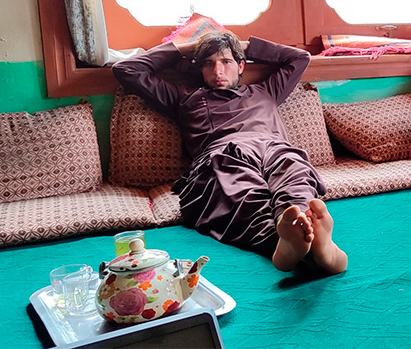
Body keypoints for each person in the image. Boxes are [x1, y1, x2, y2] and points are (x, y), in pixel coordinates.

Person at [113, 31, 348, 273]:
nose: (218, 71)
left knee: (293, 169)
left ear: (241, 66)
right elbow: (126, 69)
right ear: (199, 68)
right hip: (224, 154)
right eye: (208, 63)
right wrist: (187, 48)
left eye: (226, 61)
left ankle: (299, 224)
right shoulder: (184, 98)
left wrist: (243, 46)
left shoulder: (266, 90)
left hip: (273, 148)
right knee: (242, 191)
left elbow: (299, 58)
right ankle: (289, 244)